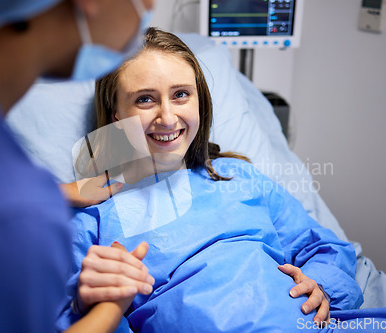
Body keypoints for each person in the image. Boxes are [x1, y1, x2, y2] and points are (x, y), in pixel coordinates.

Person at [57, 27, 364, 332]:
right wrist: (90, 305)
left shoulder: (238, 176)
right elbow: (60, 316)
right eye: (145, 100)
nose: (167, 117)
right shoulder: (94, 222)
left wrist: (321, 285)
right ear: (116, 117)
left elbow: (325, 247)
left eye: (180, 95)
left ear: (199, 102)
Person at [0, 0, 155, 332]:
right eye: (146, 99)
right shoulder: (13, 216)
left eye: (182, 94)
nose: (149, 5)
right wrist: (110, 307)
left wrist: (61, 192)